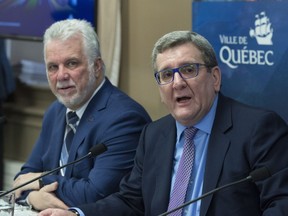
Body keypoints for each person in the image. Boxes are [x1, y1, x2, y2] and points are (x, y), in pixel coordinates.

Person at [39, 31, 288, 216]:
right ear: (160, 88)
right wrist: (76, 214)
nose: (177, 83)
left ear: (215, 78)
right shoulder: (154, 134)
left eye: (189, 70)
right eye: (166, 75)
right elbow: (131, 201)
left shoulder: (258, 128)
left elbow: (280, 204)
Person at [12, 19, 151, 211]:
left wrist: (43, 181)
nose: (61, 75)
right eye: (53, 67)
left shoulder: (125, 119)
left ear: (97, 66)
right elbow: (23, 178)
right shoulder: (56, 111)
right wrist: (34, 197)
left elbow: (95, 194)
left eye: (71, 63)